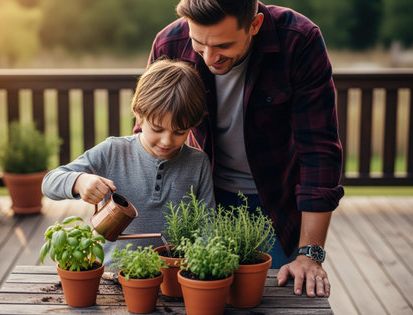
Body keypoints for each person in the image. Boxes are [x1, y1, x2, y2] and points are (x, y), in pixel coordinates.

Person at [137, 0, 344, 298]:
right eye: (198, 43)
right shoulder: (170, 42)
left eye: (223, 45)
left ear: (255, 25)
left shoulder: (299, 39)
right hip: (198, 201)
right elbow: (147, 132)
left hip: (274, 206)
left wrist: (310, 255)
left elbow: (320, 151)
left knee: (281, 297)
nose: (209, 57)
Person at [42, 58, 215, 267]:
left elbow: (207, 226)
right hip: (114, 275)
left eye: (180, 132)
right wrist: (79, 181)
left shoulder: (198, 164)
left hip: (173, 280)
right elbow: (49, 182)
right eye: (157, 129)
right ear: (139, 115)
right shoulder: (113, 151)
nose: (167, 141)